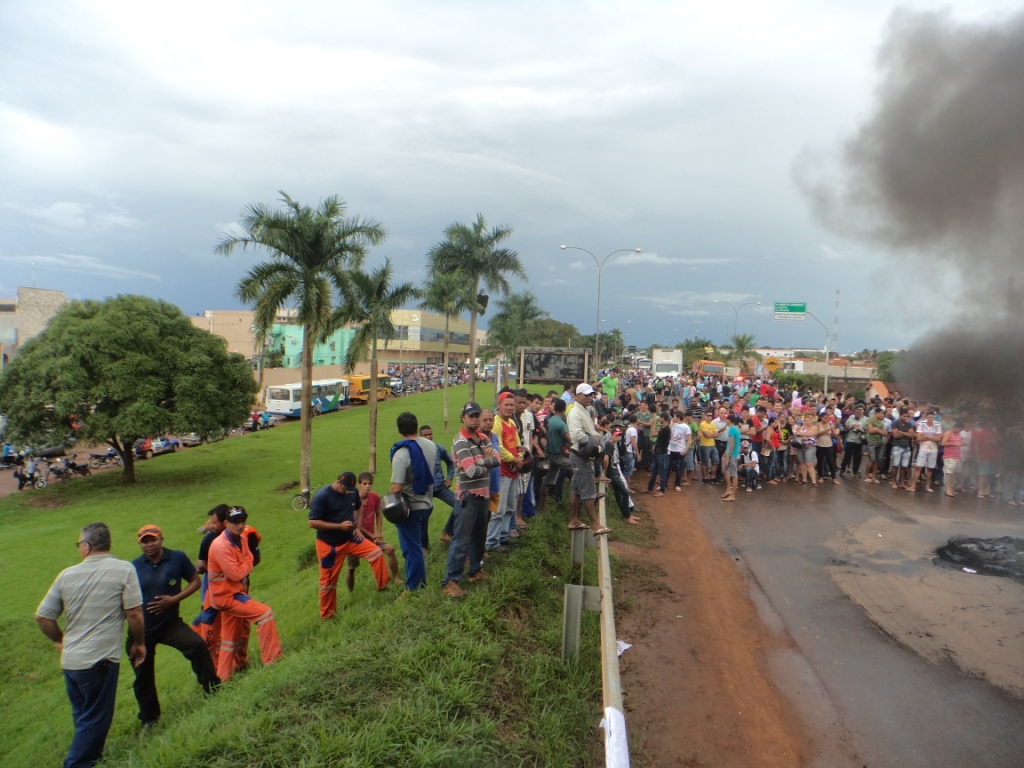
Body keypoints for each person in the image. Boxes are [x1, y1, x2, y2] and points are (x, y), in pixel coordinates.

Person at [35, 522, 146, 768]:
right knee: (96, 719)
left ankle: (94, 758)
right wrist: (140, 643)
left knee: (84, 716)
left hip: (72, 662)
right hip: (101, 660)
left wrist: (60, 640)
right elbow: (135, 613)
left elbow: (43, 617)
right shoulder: (124, 570)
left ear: (86, 546)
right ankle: (78, 763)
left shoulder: (66, 575)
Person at [129, 525, 219, 729]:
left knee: (197, 645)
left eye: (153, 540)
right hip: (142, 630)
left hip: (170, 623)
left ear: (161, 538)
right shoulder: (132, 567)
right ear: (139, 543)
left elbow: (195, 581)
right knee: (142, 674)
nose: (149, 545)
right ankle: (149, 718)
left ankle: (213, 689)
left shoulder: (177, 558)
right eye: (145, 541)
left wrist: (173, 600)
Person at [204, 507, 282, 681]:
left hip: (231, 593)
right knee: (265, 614)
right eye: (235, 522)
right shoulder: (220, 545)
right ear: (227, 524)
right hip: (227, 596)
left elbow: (247, 560)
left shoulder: (242, 537)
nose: (240, 526)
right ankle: (273, 660)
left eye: (242, 521)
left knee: (230, 639)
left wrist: (245, 563)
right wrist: (247, 563)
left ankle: (223, 678)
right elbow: (237, 574)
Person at [310, 473, 390, 617]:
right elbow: (313, 522)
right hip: (329, 545)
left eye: (350, 489)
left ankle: (383, 587)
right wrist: (339, 526)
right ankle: (328, 615)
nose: (348, 492)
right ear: (338, 483)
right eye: (345, 488)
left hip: (350, 538)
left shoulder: (352, 492)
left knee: (376, 553)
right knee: (328, 583)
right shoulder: (323, 496)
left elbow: (359, 507)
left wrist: (357, 527)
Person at [441, 401, 499, 597]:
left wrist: (480, 460)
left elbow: (497, 459)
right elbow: (472, 471)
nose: (474, 420)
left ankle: (475, 571)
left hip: (483, 495)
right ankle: (450, 581)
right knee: (461, 540)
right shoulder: (460, 441)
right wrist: (485, 459)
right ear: (463, 418)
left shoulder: (482, 437)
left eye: (477, 416)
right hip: (468, 497)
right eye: (471, 416)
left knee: (479, 538)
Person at [389, 412, 437, 590]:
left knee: (412, 549)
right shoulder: (431, 446)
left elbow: (396, 488)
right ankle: (419, 581)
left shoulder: (402, 453)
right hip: (428, 503)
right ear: (417, 426)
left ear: (399, 430)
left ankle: (414, 587)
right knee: (417, 545)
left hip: (411, 508)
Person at [566, 383, 610, 534]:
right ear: (577, 395)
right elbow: (575, 435)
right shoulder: (574, 413)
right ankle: (596, 525)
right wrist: (593, 438)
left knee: (576, 489)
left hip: (580, 455)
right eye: (586, 395)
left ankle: (573, 519)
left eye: (591, 395)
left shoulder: (583, 410)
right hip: (580, 455)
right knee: (588, 490)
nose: (589, 397)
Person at [347, 472, 401, 590]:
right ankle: (351, 591)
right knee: (351, 567)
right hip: (356, 539)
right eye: (364, 483)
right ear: (359, 484)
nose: (367, 486)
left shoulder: (375, 497)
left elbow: (378, 514)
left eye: (370, 483)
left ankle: (396, 578)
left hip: (372, 537)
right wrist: (372, 534)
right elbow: (356, 525)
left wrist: (379, 533)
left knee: (390, 549)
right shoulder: (354, 501)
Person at [485, 392, 522, 552]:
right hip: (502, 470)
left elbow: (518, 444)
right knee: (499, 509)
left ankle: (502, 536)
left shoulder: (512, 423)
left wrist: (519, 457)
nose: (509, 407)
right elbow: (497, 447)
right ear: (499, 405)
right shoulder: (496, 423)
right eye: (506, 404)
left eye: (511, 405)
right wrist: (514, 459)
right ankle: (491, 542)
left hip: (513, 470)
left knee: (509, 506)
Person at [420, 424, 455, 549]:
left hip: (439, 487)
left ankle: (447, 532)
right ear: (420, 437)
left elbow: (451, 463)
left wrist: (450, 478)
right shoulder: (416, 452)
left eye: (430, 434)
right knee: (424, 516)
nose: (429, 437)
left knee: (459, 504)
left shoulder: (439, 449)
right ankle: (424, 546)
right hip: (424, 491)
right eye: (425, 435)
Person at [538, 398, 572, 515]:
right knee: (578, 466)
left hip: (549, 454)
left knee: (547, 482)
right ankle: (579, 500)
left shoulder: (550, 420)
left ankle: (542, 509)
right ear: (564, 409)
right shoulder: (561, 424)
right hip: (557, 456)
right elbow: (570, 440)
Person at [910, 410, 943, 492]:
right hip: (923, 448)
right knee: (919, 467)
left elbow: (938, 438)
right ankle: (913, 485)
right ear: (926, 417)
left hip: (933, 449)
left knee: (930, 468)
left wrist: (926, 436)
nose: (931, 419)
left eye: (932, 417)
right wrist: (932, 437)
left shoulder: (937, 425)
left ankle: (928, 485)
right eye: (929, 417)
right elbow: (919, 438)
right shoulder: (921, 424)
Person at [720, 415, 742, 502]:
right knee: (725, 471)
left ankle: (733, 495)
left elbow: (732, 445)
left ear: (729, 420)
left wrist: (728, 457)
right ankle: (729, 490)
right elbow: (729, 444)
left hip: (733, 455)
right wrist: (724, 455)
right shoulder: (733, 429)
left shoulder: (732, 429)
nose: (725, 420)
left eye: (726, 419)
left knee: (734, 474)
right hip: (730, 454)